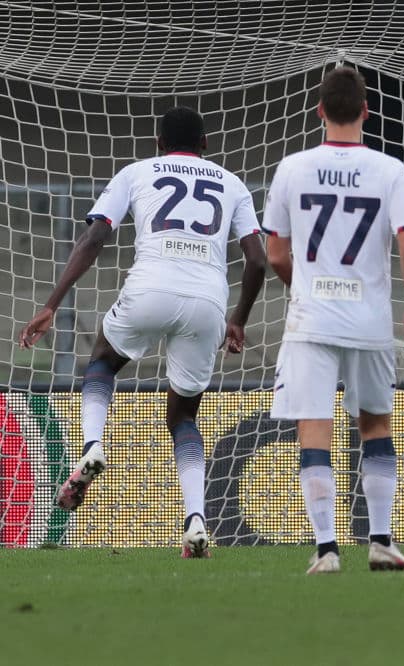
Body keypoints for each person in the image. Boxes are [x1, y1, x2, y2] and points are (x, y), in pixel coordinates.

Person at [19, 106, 267, 558]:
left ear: (157, 143)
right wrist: (238, 321)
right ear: (206, 145)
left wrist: (51, 304)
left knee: (102, 360)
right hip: (208, 302)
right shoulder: (232, 182)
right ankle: (196, 521)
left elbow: (94, 239)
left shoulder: (136, 172)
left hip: (149, 288)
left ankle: (93, 444)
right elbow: (256, 260)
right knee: (184, 418)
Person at [262, 66, 404, 574]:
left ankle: (327, 549)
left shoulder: (292, 167)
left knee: (316, 426)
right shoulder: (389, 169)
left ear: (319, 112)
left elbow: (273, 251)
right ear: (365, 112)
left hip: (311, 319)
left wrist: (306, 286)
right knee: (375, 423)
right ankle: (380, 541)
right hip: (369, 319)